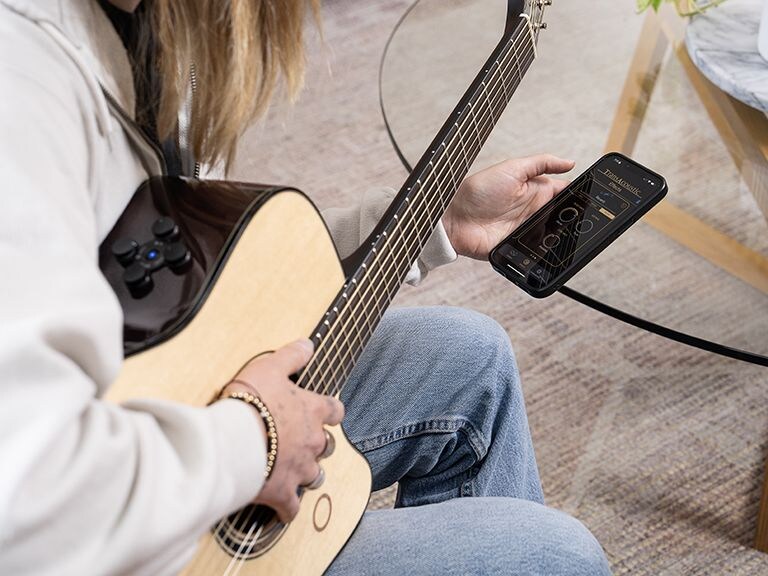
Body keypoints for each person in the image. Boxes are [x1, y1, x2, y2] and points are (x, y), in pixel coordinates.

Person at [0, 0, 612, 574]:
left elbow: (226, 289)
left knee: (470, 356)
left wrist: (441, 219)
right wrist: (255, 440)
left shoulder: (153, 28)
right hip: (124, 531)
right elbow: (26, 493)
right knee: (558, 556)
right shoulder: (23, 93)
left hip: (172, 424)